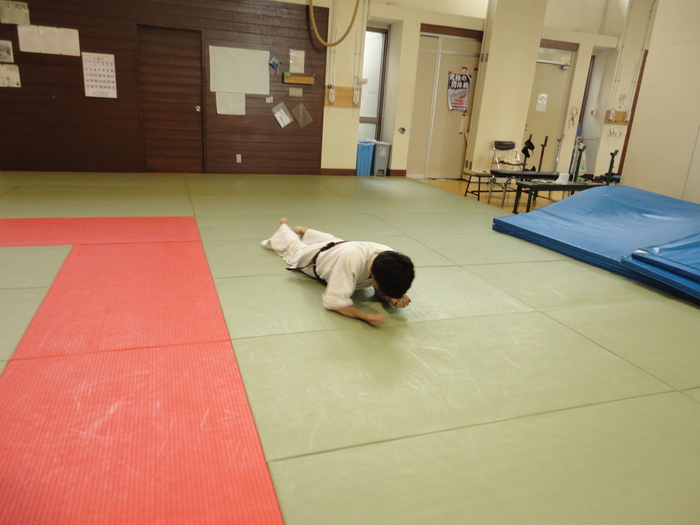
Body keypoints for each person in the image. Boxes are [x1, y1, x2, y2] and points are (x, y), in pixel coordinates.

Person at [261, 219, 414, 327]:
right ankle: (283, 227)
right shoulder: (351, 261)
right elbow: (333, 301)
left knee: (331, 240)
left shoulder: (389, 257)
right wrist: (365, 316)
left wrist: (392, 295)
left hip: (340, 246)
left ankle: (305, 231)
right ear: (372, 272)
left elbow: (379, 287)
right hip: (317, 257)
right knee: (295, 249)